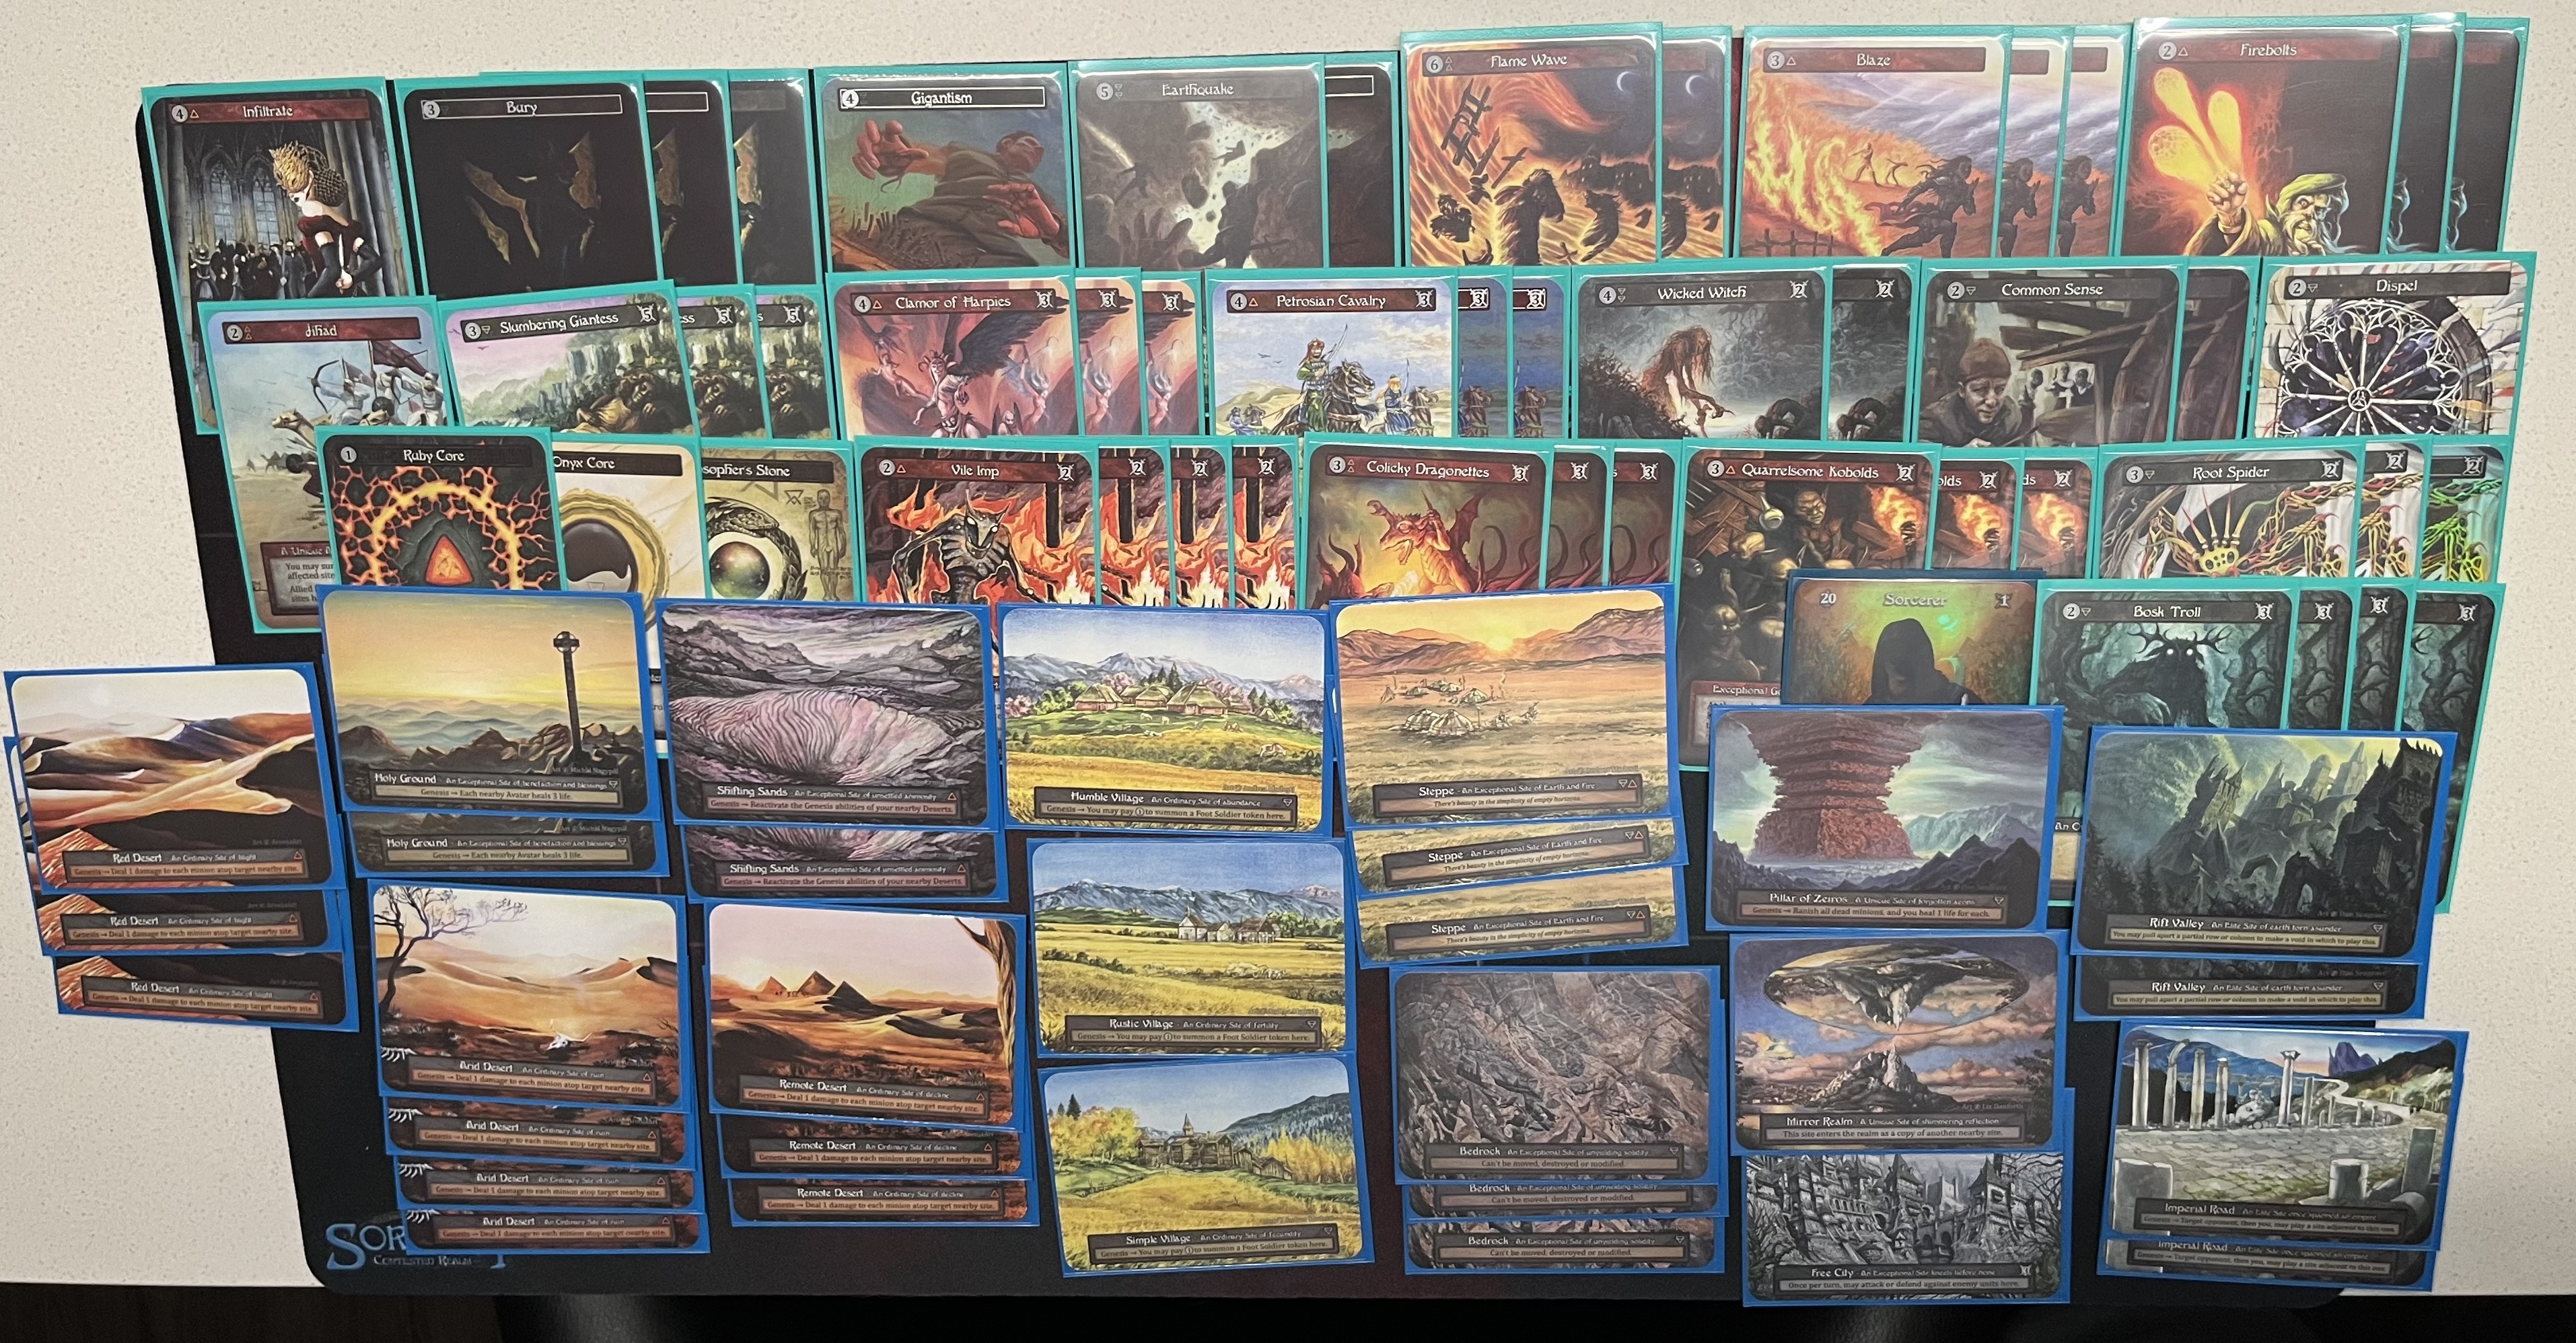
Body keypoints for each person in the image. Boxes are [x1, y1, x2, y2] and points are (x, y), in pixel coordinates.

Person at [269, 143, 381, 297]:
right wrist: (352, 279)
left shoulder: (311, 209)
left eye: (295, 183)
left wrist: (309, 300)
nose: (291, 194)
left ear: (310, 177)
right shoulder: (342, 222)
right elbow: (374, 260)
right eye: (288, 188)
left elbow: (333, 270)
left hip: (331, 295)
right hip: (352, 293)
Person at [2188, 172, 2351, 256]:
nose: (2310, 214)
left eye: (2319, 210)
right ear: (2289, 206)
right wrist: (2232, 216)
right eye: (2303, 204)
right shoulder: (2273, 234)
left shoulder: (2322, 250)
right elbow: (2254, 240)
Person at [1919, 338, 2034, 447]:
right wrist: (1961, 454)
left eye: (2000, 390)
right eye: (1980, 390)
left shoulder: (2011, 418)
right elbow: (1919, 452)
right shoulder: (1935, 420)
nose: (1992, 401)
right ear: (1962, 390)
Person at [1868, 619, 1983, 704]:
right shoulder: (1875, 706)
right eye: (1890, 651)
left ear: (1922, 658)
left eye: (1905, 650)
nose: (1897, 658)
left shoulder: (1959, 699)